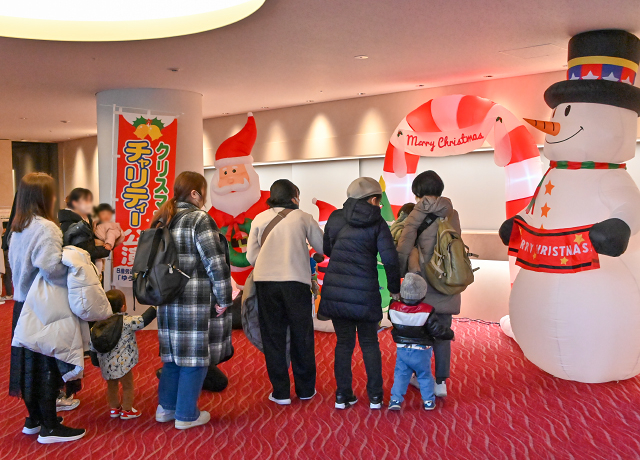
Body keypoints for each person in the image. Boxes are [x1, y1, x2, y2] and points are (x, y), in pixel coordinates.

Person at [8, 172, 86, 443]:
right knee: (46, 366)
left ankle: (34, 419)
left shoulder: (18, 226)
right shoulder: (46, 227)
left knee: (28, 366)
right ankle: (50, 427)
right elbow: (51, 269)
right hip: (42, 307)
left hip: (21, 306)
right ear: (44, 197)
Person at [152, 171, 233, 430]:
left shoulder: (163, 218)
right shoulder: (199, 219)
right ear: (195, 193)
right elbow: (215, 262)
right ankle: (186, 415)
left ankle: (166, 408)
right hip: (194, 300)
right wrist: (224, 297)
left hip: (166, 299)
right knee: (195, 358)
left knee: (172, 356)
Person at [318, 177, 401, 410]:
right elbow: (390, 260)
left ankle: (342, 396)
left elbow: (327, 249)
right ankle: (375, 397)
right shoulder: (377, 221)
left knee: (343, 344)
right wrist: (394, 289)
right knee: (369, 343)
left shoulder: (335, 217)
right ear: (373, 199)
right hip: (365, 292)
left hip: (337, 291)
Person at [246, 179, 324, 405]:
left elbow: (252, 257)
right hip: (296, 283)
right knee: (302, 335)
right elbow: (322, 247)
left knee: (273, 337)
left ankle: (280, 392)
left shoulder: (259, 219)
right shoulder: (304, 217)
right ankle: (306, 389)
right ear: (293, 197)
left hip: (266, 283)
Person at [396, 170, 461, 398]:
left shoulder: (415, 213)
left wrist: (399, 275)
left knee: (418, 332)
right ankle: (441, 382)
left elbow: (404, 245)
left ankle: (418, 376)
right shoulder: (451, 213)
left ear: (417, 192)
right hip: (446, 280)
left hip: (421, 282)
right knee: (443, 332)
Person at [387, 273, 454, 411]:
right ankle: (428, 401)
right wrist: (450, 334)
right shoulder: (427, 311)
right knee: (425, 375)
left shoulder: (393, 308)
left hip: (402, 350)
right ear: (423, 294)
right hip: (422, 351)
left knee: (400, 375)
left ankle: (395, 400)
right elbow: (437, 330)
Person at [94, 290, 156, 420]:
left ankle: (114, 408)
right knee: (127, 386)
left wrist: (95, 362)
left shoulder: (97, 325)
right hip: (124, 364)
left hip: (106, 364)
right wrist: (154, 307)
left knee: (112, 386)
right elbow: (143, 320)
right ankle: (127, 409)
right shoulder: (127, 321)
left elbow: (92, 345)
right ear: (123, 306)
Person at [58, 188, 110, 264]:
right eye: (86, 201)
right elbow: (84, 251)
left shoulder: (87, 219)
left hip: (91, 266)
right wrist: (106, 249)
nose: (90, 204)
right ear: (75, 203)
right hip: (81, 269)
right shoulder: (69, 223)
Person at [93, 203, 124, 273]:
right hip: (98, 245)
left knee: (98, 259)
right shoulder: (96, 223)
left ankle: (98, 273)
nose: (106, 216)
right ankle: (98, 273)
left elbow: (111, 235)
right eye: (103, 214)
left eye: (108, 214)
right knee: (97, 259)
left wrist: (109, 244)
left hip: (104, 245)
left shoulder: (111, 226)